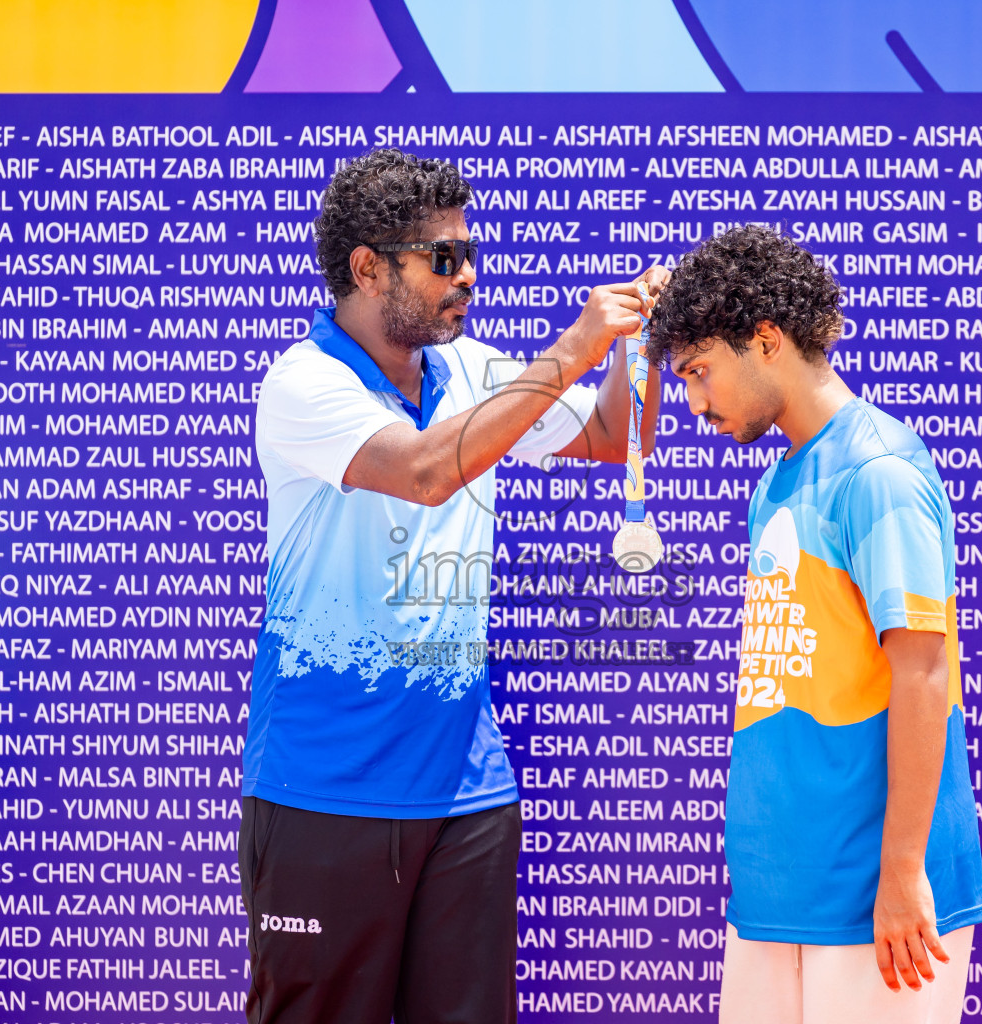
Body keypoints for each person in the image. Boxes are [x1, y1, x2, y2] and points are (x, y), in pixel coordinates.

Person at [240, 147, 665, 1024]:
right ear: (367, 267)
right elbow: (430, 470)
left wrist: (629, 350)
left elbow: (615, 434)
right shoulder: (303, 383)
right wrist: (576, 345)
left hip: (468, 792)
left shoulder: (472, 369)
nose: (466, 275)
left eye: (469, 254)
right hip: (326, 791)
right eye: (443, 258)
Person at [646, 226, 982, 1024]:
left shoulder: (878, 471)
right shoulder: (780, 479)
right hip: (778, 891)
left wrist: (903, 874)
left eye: (699, 372)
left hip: (877, 899)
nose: (693, 403)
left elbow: (924, 674)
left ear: (764, 340)